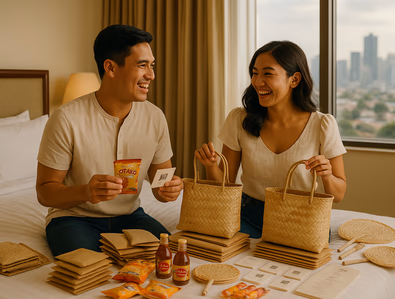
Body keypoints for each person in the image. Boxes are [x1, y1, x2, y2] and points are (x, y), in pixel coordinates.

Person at [36, 24, 183, 256]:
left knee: (170, 256)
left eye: (151, 66)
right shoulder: (66, 118)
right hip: (74, 217)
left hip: (131, 216)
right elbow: (45, 192)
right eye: (142, 65)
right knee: (89, 270)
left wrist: (168, 190)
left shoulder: (155, 117)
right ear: (111, 67)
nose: (151, 75)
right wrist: (86, 192)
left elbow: (159, 186)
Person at [196, 41, 346, 239]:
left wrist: (327, 175)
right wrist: (210, 165)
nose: (258, 82)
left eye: (268, 74)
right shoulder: (239, 119)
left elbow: (339, 195)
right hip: (247, 216)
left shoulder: (322, 124)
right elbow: (225, 185)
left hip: (302, 219)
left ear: (294, 79)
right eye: (255, 73)